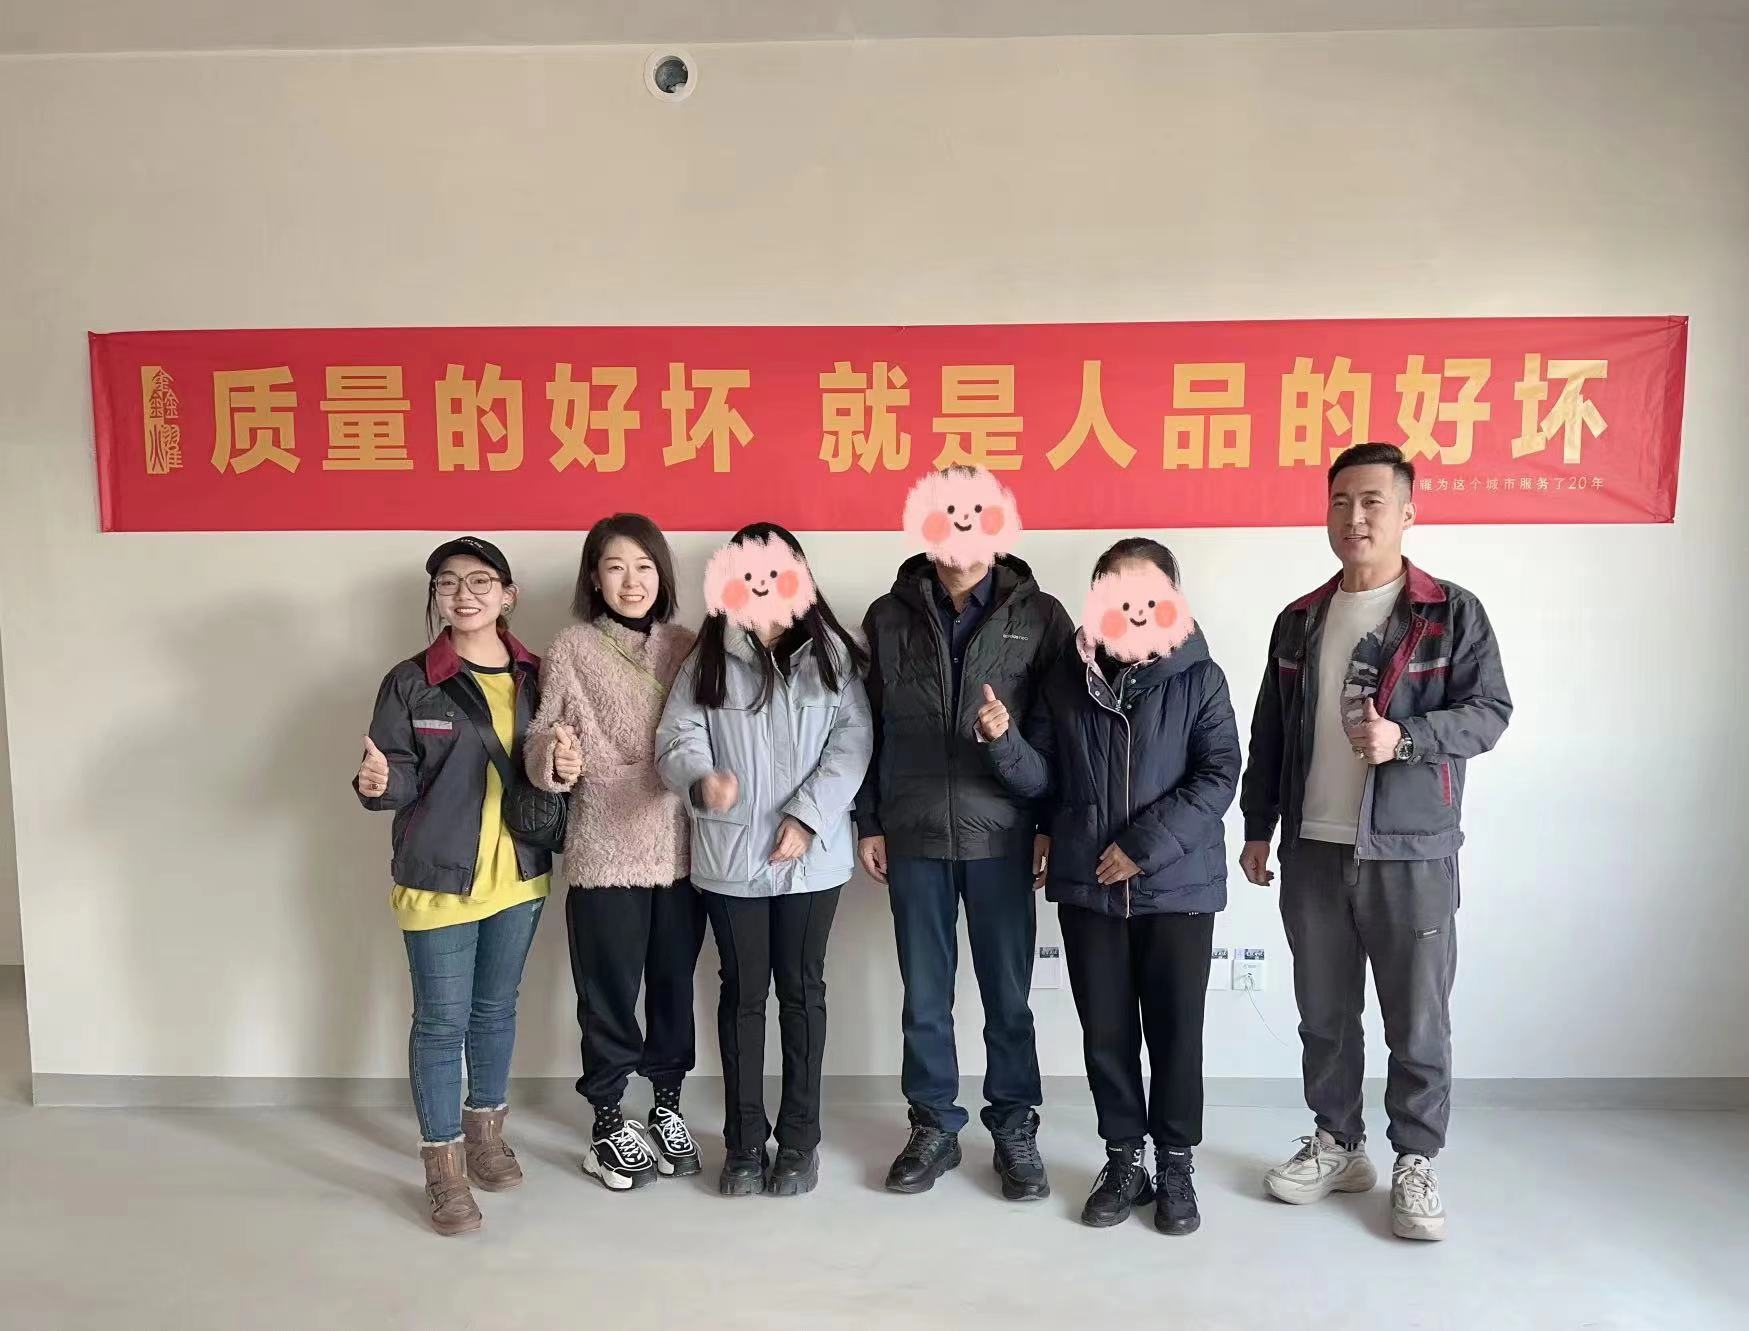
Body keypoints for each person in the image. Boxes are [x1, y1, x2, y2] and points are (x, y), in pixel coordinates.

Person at [1239, 442, 1512, 1242]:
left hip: (1411, 849)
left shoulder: (1449, 612)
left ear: (1406, 512)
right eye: (1340, 501)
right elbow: (1269, 733)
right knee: (1323, 1014)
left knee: (1416, 1018)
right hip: (1312, 848)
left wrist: (1406, 738)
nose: (1353, 517)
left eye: (1371, 502)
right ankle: (1338, 1143)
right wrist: (1257, 825)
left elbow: (1489, 712)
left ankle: (1415, 1158)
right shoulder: (1299, 619)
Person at [981, 539, 1240, 1235]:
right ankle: (1124, 1159)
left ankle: (1176, 1164)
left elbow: (1218, 774)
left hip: (1177, 888)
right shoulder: (1066, 678)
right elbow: (1043, 778)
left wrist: (1141, 848)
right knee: (1106, 1034)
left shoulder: (1200, 677)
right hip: (1089, 888)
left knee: (1176, 1035)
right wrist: (1004, 742)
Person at [856, 466, 1076, 1201]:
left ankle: (1013, 1125)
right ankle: (934, 1126)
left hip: (1003, 835)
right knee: (924, 996)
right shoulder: (887, 616)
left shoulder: (1040, 616)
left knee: (1007, 996)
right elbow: (866, 727)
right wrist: (868, 820)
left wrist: (1048, 823)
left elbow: (1060, 736)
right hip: (912, 832)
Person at [656, 524, 873, 1197]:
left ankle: (800, 1141)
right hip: (731, 856)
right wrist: (700, 780)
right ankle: (744, 1143)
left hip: (812, 858)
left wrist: (806, 817)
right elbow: (676, 737)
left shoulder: (833, 654)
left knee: (802, 993)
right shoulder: (708, 656)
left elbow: (853, 743)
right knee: (742, 995)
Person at [355, 536, 551, 1237]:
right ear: (436, 597)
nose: (463, 594)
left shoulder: (537, 675)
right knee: (441, 1022)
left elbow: (552, 764)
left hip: (519, 875)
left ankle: (485, 1136)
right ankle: (443, 1165)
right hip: (438, 879)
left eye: (479, 581)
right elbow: (395, 774)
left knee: (495, 1010)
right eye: (447, 582)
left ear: (507, 594)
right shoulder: (412, 680)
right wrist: (377, 784)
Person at [523, 514, 704, 1192]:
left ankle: (666, 1105)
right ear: (593, 578)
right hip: (606, 845)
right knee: (607, 993)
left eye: (644, 566)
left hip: (682, 848)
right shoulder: (571, 646)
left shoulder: (686, 645)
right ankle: (606, 1118)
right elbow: (542, 736)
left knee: (673, 986)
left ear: (662, 575)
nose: (631, 581)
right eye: (615, 567)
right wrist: (556, 759)